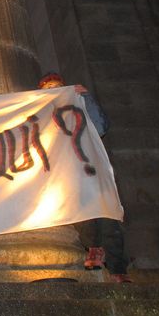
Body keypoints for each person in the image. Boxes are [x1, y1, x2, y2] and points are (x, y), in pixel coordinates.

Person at [38, 71, 131, 283]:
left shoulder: (79, 107)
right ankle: (95, 250)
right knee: (83, 213)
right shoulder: (43, 118)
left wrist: (86, 98)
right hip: (68, 174)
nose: (54, 92)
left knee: (107, 214)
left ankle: (117, 268)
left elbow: (100, 127)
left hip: (91, 168)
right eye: (48, 90)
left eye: (57, 87)